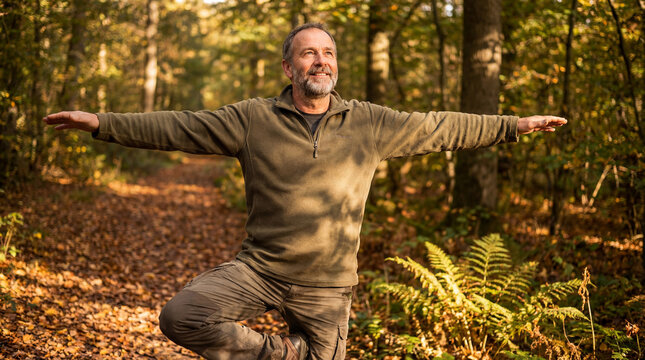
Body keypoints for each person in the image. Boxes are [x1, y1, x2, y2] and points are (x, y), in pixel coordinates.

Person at [43, 23, 566, 360]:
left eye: (329, 53)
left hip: (328, 287)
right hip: (261, 269)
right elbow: (179, 126)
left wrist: (512, 125)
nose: (321, 61)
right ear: (290, 68)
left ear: (336, 65)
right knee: (182, 316)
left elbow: (442, 126)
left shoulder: (370, 123)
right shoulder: (251, 119)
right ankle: (286, 355)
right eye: (309, 54)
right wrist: (100, 122)